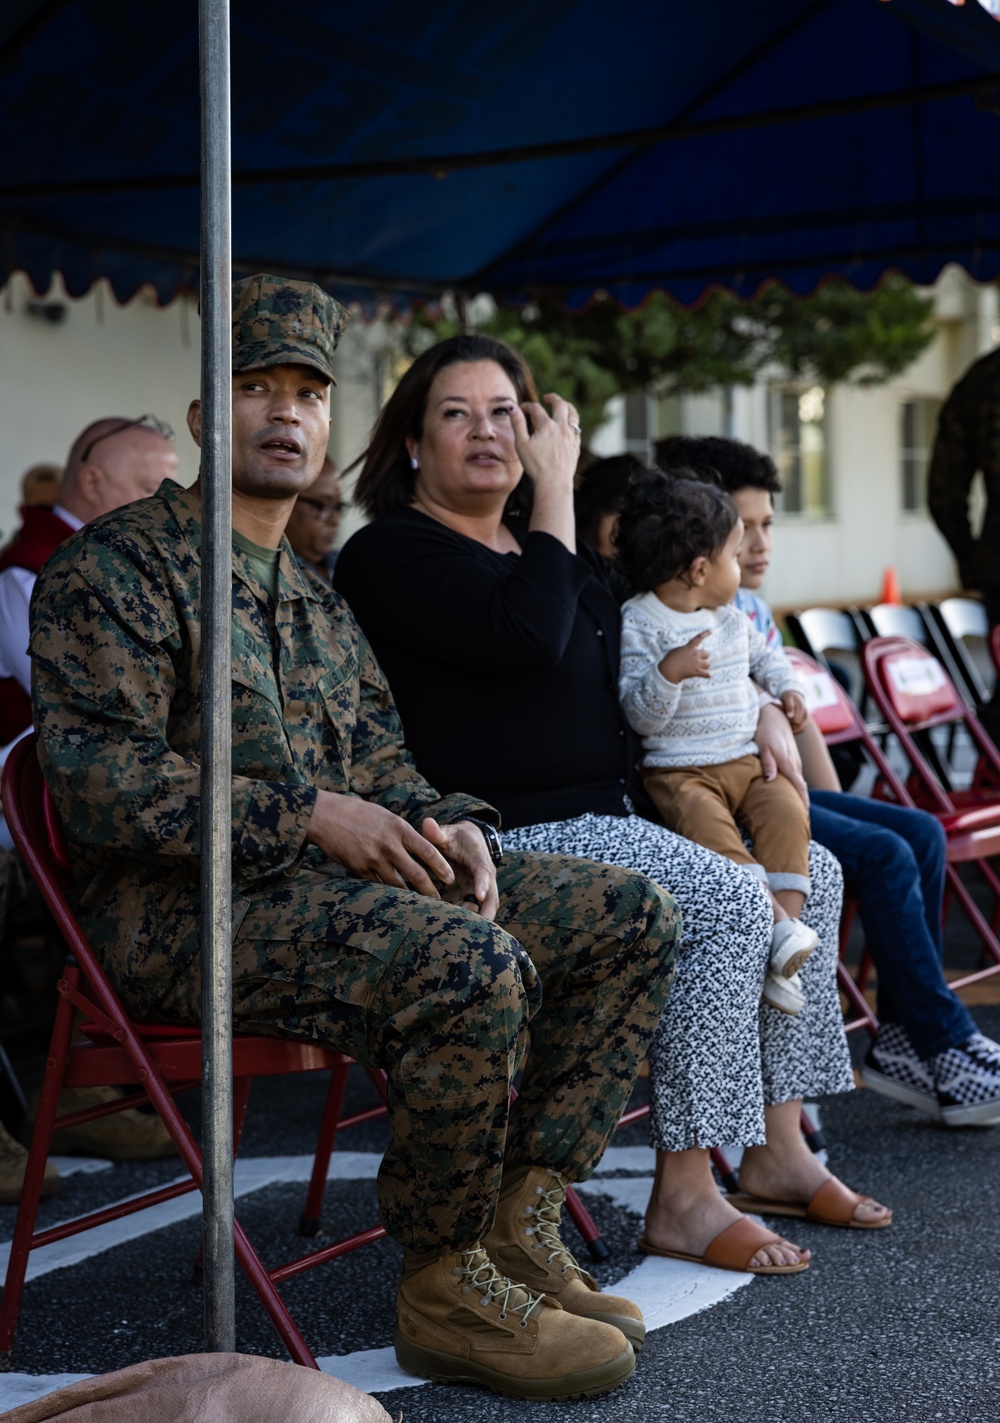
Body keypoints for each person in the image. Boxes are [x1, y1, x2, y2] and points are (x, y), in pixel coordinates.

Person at [29, 275, 680, 1402]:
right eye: (254, 388)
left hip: (315, 896)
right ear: (203, 415)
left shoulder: (316, 597)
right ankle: (441, 1281)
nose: (285, 412)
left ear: (329, 422)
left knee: (628, 912)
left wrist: (461, 831)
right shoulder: (116, 567)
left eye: (307, 393)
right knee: (465, 965)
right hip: (176, 913)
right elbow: (99, 785)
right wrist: (309, 813)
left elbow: (386, 762)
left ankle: (514, 1223)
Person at [335, 334, 891, 1283]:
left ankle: (778, 1144)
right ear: (413, 445)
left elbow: (640, 661)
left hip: (623, 812)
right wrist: (557, 488)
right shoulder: (391, 553)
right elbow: (526, 635)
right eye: (456, 413)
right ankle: (683, 1192)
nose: (488, 429)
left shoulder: (548, 554)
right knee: (723, 902)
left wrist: (753, 706)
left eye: (506, 411)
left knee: (818, 871)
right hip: (499, 832)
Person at [658, 433, 1000, 1129]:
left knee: (919, 830)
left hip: (776, 790)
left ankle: (905, 1035)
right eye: (743, 529)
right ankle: (940, 1034)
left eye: (768, 524)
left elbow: (798, 719)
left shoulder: (751, 610)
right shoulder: (683, 617)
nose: (759, 544)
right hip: (720, 800)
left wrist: (822, 802)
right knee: (883, 851)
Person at [0, 415, 179, 1191]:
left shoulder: (121, 563)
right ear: (93, 481)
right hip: (37, 808)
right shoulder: (28, 573)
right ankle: (93, 1069)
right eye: (148, 490)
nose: (163, 509)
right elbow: (77, 708)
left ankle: (94, 1073)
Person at [615, 469, 817, 1018]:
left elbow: (767, 657)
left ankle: (785, 938)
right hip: (681, 773)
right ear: (699, 569)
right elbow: (641, 716)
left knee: (788, 812)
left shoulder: (729, 618)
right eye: (733, 553)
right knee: (715, 840)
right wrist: (668, 674)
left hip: (746, 763)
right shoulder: (640, 623)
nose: (742, 561)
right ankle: (776, 929)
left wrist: (788, 688)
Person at [283, 454, 344, 584]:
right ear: (287, 502)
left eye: (338, 506)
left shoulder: (346, 564)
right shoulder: (279, 575)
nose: (336, 520)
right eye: (322, 505)